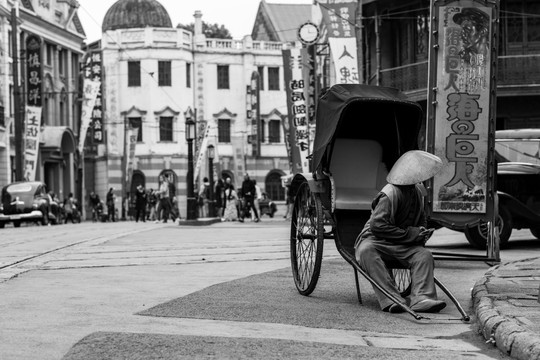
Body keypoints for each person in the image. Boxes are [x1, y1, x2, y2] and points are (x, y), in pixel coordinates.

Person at [354, 150, 446, 314]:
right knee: (366, 251)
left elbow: (421, 219)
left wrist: (421, 232)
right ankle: (391, 298)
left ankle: (422, 298)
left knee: (424, 255)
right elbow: (378, 226)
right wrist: (411, 234)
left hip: (403, 244)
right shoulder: (389, 194)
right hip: (377, 242)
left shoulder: (418, 191)